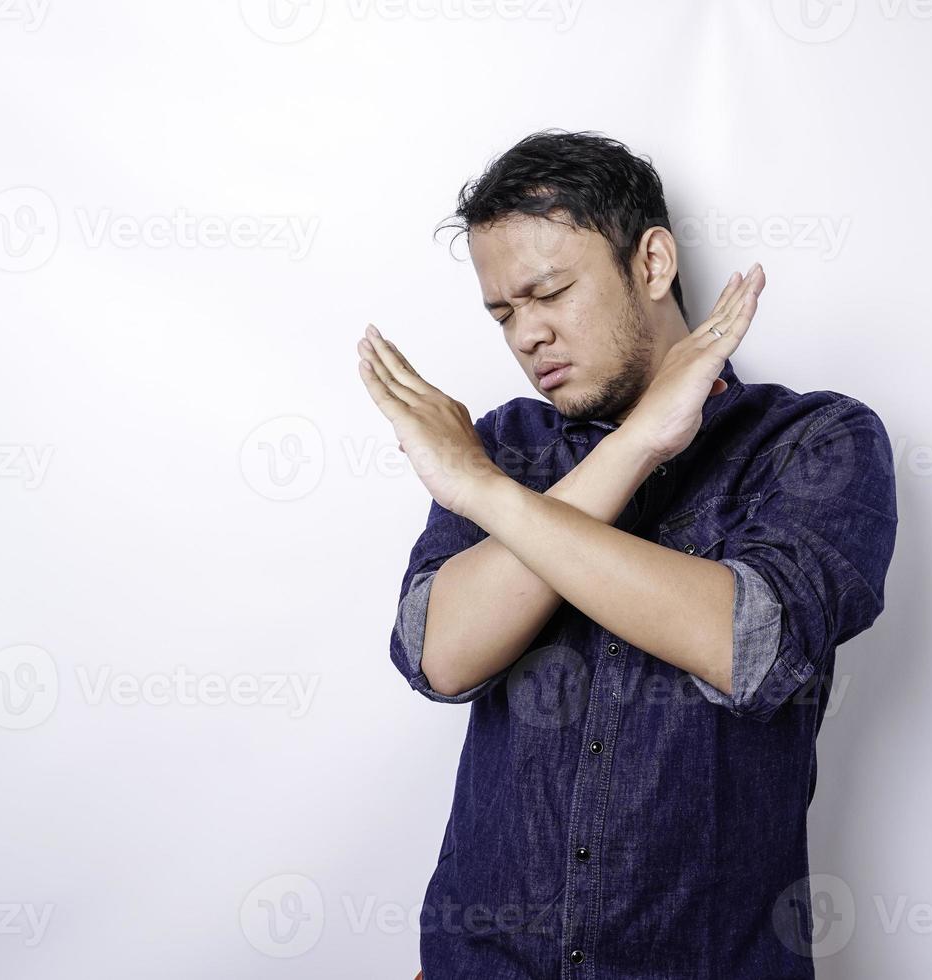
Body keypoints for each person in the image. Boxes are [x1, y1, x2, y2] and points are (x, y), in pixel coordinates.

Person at [358, 130, 897, 979]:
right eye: (503, 314)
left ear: (650, 264)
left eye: (551, 293)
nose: (528, 336)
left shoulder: (815, 440)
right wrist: (636, 446)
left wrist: (491, 499)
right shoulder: (504, 445)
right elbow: (440, 655)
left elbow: (751, 648)